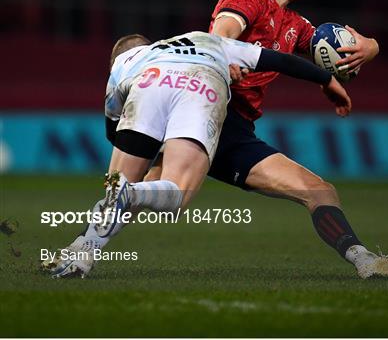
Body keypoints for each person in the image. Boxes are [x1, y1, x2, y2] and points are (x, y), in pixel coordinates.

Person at [202, 0, 388, 279]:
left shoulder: (294, 24)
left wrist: (371, 46)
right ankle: (84, 248)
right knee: (153, 192)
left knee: (319, 190)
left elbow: (348, 45)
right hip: (202, 114)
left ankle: (366, 261)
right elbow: (220, 33)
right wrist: (224, 56)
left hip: (234, 133)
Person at [43, 30, 350, 278]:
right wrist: (326, 79)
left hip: (146, 84)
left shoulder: (122, 65)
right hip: (199, 82)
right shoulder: (205, 38)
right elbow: (279, 60)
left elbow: (115, 132)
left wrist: (148, 152)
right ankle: (130, 196)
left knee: (116, 188)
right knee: (176, 194)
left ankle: (81, 253)